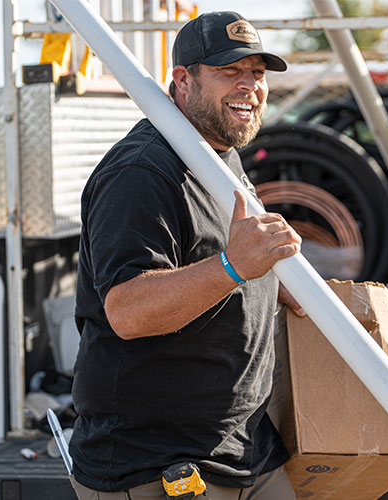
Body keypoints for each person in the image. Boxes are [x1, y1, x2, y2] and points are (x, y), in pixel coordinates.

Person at [70, 11, 303, 500]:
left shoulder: (217, 152)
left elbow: (215, 254)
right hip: (160, 467)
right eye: (229, 72)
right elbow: (128, 311)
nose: (249, 87)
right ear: (183, 81)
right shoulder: (142, 171)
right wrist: (235, 267)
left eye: (257, 74)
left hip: (246, 450)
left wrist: (280, 286)